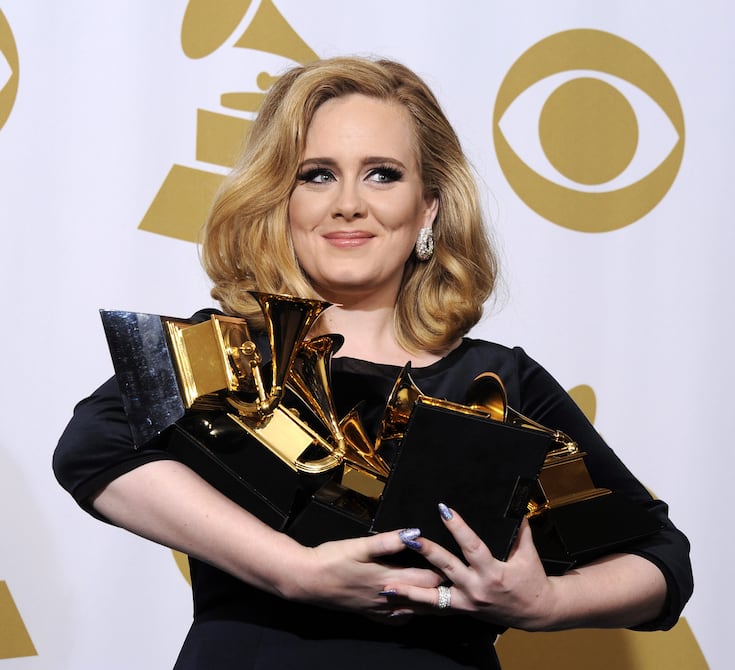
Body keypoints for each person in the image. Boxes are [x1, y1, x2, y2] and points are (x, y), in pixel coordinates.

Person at [53, 56, 692, 669]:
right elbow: (93, 447)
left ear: (429, 207)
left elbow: (660, 560)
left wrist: (545, 603)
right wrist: (293, 570)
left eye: (382, 174)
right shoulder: (231, 356)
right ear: (280, 200)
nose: (349, 203)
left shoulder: (497, 383)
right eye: (316, 175)